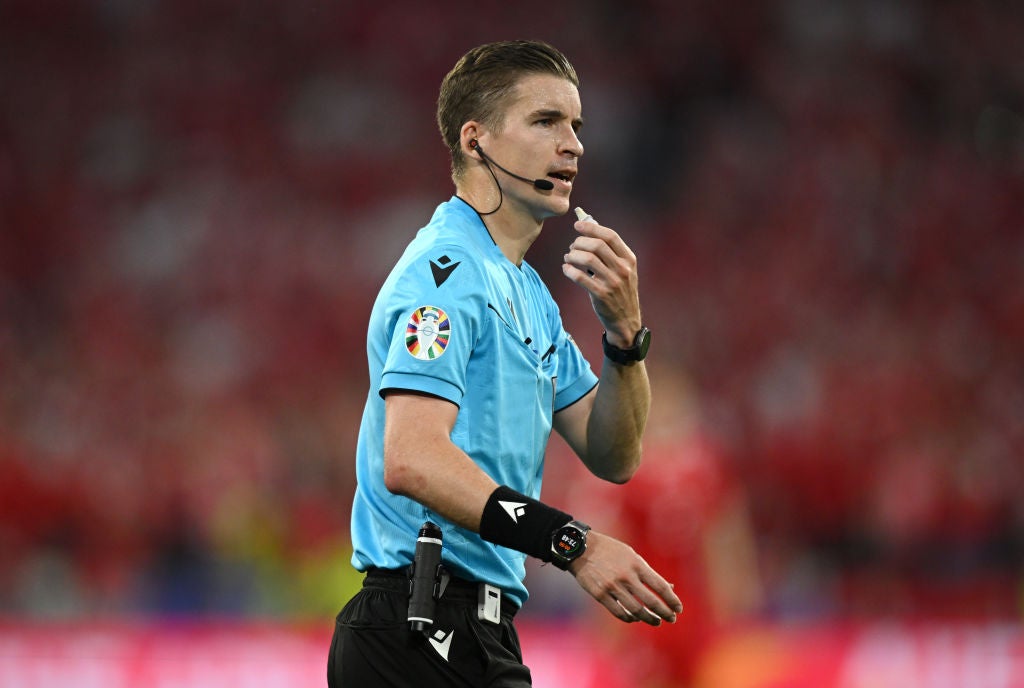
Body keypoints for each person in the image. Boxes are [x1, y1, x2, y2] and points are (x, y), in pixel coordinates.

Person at [328, 40, 682, 687]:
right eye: (546, 121)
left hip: (471, 629)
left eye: (576, 125)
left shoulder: (529, 297)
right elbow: (411, 457)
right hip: (418, 625)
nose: (572, 143)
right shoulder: (445, 273)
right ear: (477, 140)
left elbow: (615, 454)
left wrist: (625, 339)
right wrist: (574, 544)